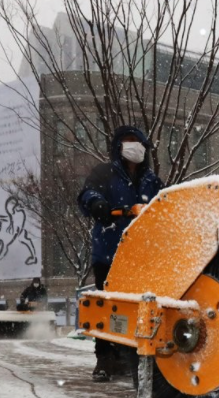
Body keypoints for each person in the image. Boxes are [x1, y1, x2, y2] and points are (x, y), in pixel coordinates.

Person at [77, 125, 163, 383]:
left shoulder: (152, 181)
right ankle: (104, 358)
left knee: (138, 307)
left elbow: (165, 206)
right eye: (128, 140)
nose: (133, 145)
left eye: (137, 141)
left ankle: (132, 355)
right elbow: (87, 193)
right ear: (118, 146)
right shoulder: (104, 173)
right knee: (107, 306)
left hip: (141, 255)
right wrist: (97, 203)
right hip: (109, 251)